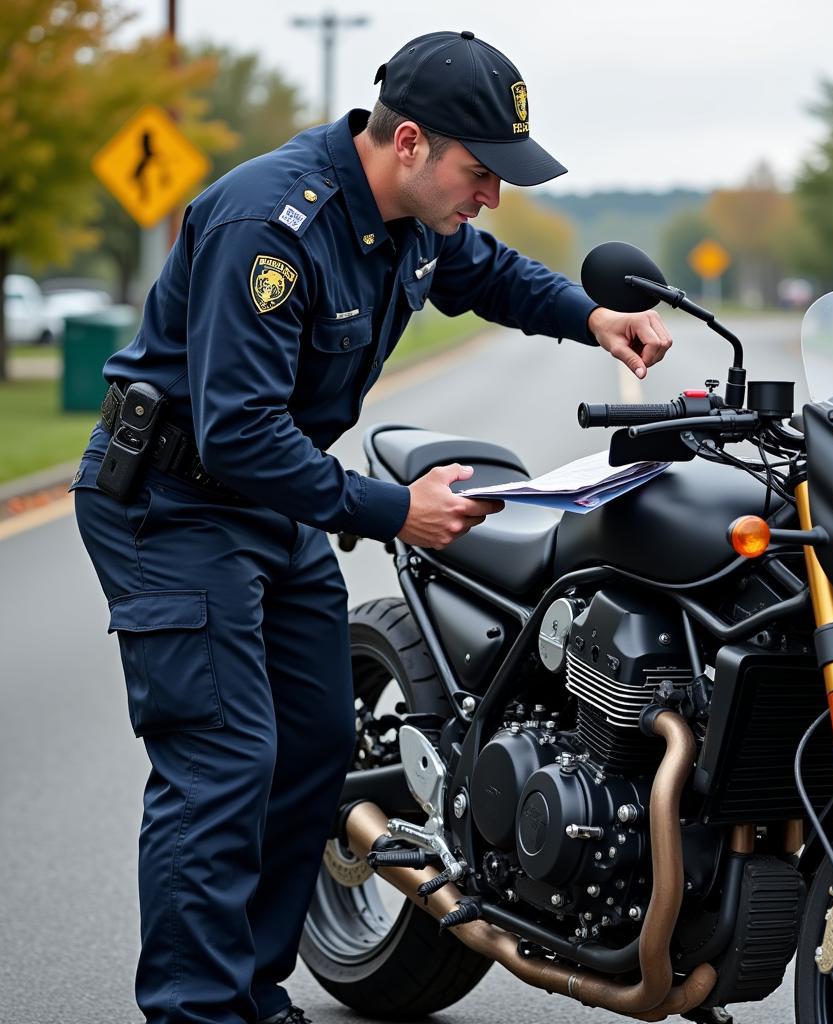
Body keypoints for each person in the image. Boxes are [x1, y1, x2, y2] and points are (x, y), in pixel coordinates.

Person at [71, 29, 672, 1024]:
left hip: (272, 504)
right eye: (480, 173)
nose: (488, 196)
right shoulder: (270, 225)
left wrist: (592, 318)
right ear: (406, 143)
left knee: (314, 750)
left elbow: (489, 272)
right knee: (222, 761)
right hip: (173, 503)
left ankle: (249, 992)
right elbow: (237, 432)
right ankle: (195, 1009)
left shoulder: (410, 218)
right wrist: (399, 510)